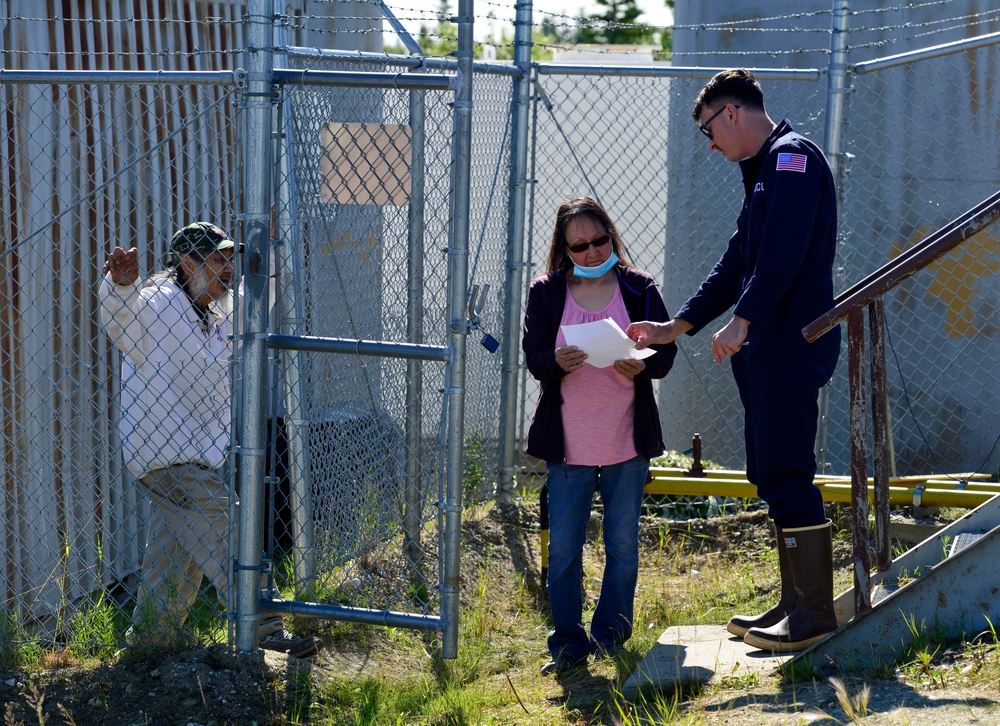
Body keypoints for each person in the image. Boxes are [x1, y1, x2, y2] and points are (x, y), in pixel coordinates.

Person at [627, 69, 842, 653]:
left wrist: (743, 318)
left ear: (730, 113)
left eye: (707, 130)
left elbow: (784, 251)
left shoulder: (792, 159)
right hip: (768, 344)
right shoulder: (765, 170)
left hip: (789, 342)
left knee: (787, 468)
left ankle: (814, 614)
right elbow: (738, 260)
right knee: (771, 468)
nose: (709, 144)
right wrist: (679, 326)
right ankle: (795, 601)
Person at [100, 221, 317, 657]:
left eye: (229, 259)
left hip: (191, 460)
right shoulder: (158, 305)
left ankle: (149, 642)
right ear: (187, 263)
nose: (227, 269)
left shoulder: (214, 313)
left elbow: (256, 304)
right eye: (217, 259)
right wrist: (119, 286)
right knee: (229, 525)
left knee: (175, 559)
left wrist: (270, 256)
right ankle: (262, 625)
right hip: (165, 457)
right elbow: (121, 318)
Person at [523, 197, 677, 675]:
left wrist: (641, 366)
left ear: (611, 236)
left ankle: (610, 636)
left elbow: (666, 357)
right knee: (564, 550)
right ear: (565, 249)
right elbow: (534, 359)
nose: (591, 252)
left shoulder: (639, 287)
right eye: (580, 246)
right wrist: (557, 363)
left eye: (599, 241)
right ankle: (569, 645)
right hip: (568, 446)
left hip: (625, 444)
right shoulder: (547, 292)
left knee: (623, 545)